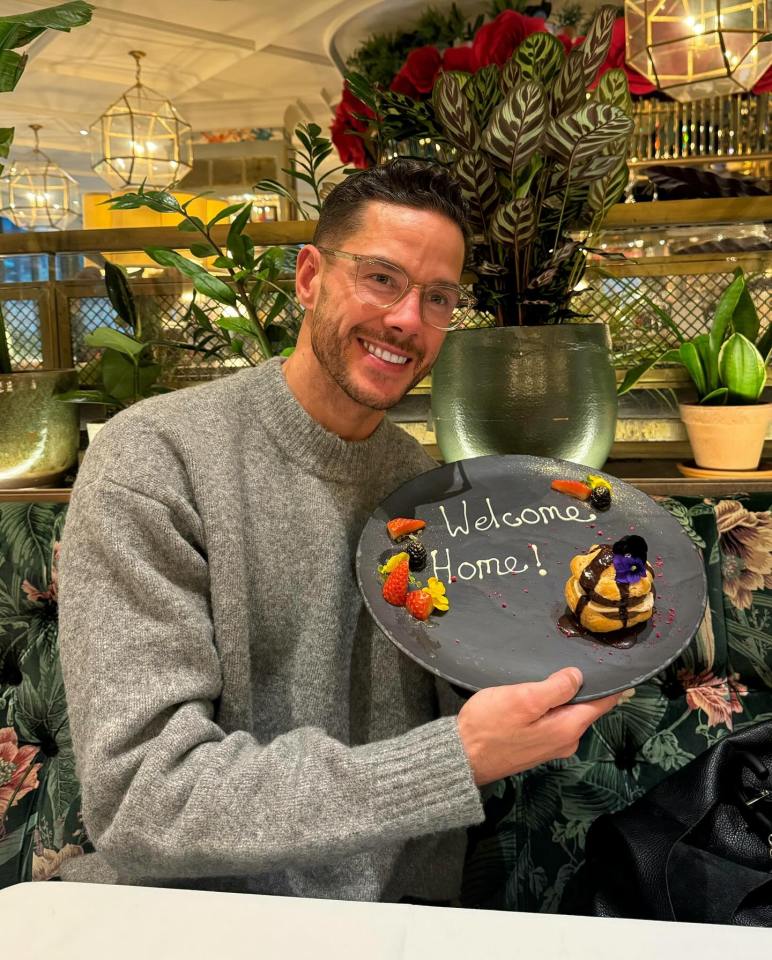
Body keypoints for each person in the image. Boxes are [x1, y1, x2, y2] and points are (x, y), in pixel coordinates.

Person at [58, 158, 621, 902]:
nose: (407, 321)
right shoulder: (158, 461)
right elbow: (140, 798)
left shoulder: (427, 489)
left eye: (439, 298)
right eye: (381, 278)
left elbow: (479, 692)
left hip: (405, 921)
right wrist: (451, 758)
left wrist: (553, 623)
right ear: (309, 277)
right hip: (199, 920)